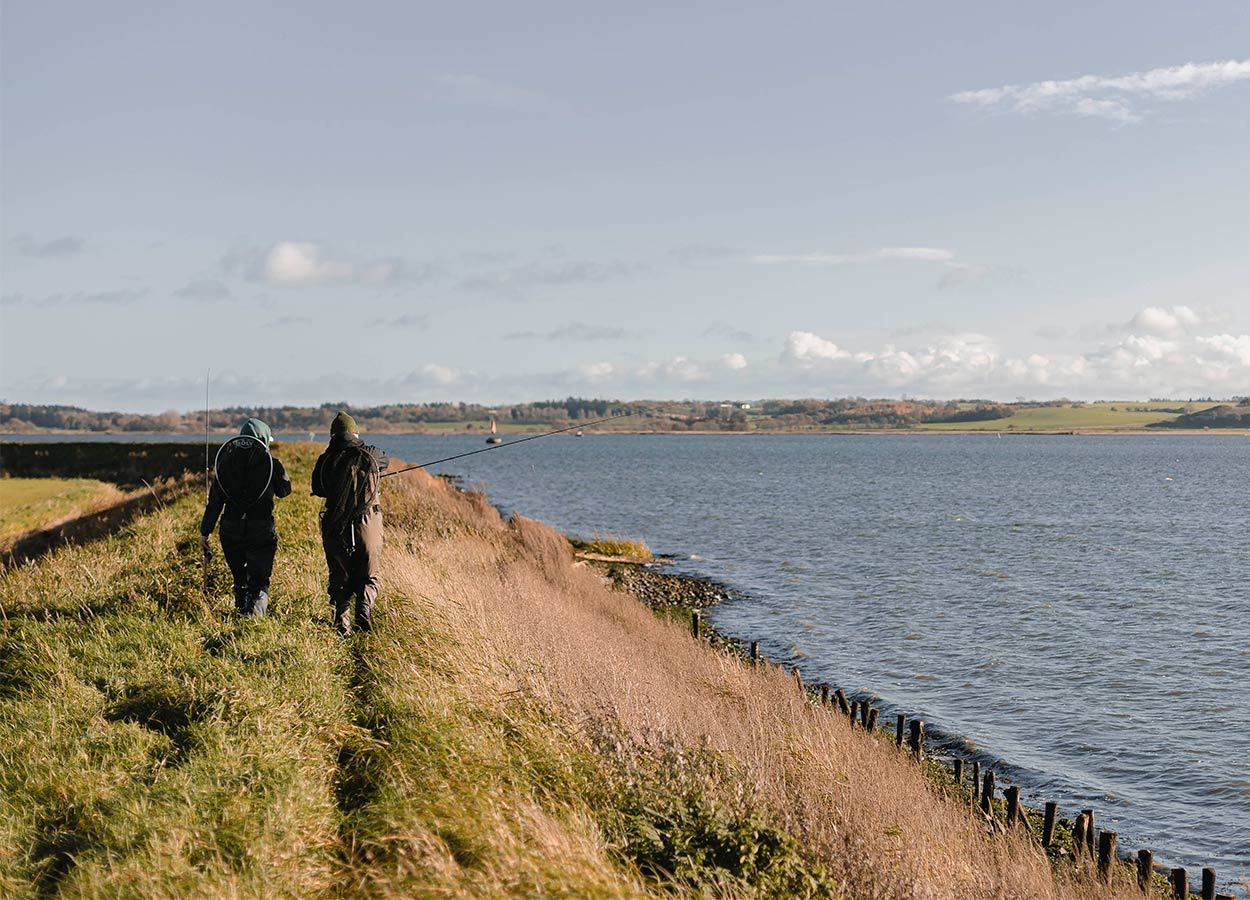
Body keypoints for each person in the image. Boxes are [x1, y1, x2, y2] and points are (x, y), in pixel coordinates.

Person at [200, 418, 291, 616]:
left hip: (230, 528)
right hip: (261, 528)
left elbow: (215, 503)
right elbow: (285, 491)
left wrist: (204, 532)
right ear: (263, 439)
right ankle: (252, 625)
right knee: (258, 581)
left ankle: (241, 613)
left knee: (239, 578)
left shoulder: (225, 463)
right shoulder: (271, 464)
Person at [312, 411, 389, 634]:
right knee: (369, 574)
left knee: (339, 574)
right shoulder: (372, 454)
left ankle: (342, 624)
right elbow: (387, 461)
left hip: (336, 524)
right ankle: (364, 610)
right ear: (355, 433)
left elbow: (318, 488)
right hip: (369, 523)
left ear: (332, 435)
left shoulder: (325, 460)